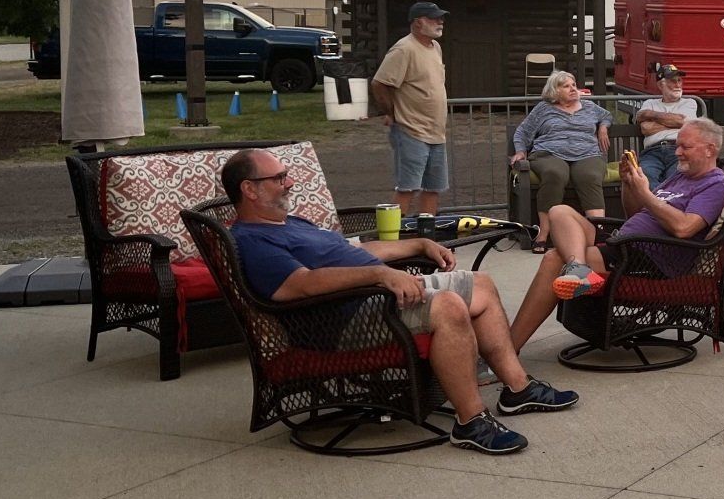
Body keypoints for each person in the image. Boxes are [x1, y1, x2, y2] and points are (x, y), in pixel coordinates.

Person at [220, 148, 577, 456]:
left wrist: (417, 245)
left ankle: (517, 390)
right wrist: (381, 276)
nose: (289, 182)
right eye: (278, 177)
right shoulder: (253, 240)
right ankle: (470, 421)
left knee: (479, 285)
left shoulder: (288, 222)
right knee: (448, 306)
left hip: (372, 297)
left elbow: (353, 250)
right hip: (343, 319)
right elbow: (298, 285)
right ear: (249, 189)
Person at [506, 118, 724, 352]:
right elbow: (636, 213)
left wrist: (645, 192)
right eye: (678, 145)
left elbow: (684, 228)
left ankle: (508, 350)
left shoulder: (714, 183)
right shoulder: (680, 177)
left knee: (554, 259)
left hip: (650, 255)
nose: (677, 152)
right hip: (624, 241)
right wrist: (629, 185)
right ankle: (579, 270)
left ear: (710, 149)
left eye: (685, 147)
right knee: (559, 211)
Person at [509, 71, 612, 253]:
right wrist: (520, 151)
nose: (573, 89)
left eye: (573, 85)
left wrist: (603, 126)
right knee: (555, 174)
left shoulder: (589, 106)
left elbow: (606, 115)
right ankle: (543, 233)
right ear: (554, 91)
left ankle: (598, 233)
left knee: (589, 176)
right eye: (566, 86)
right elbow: (522, 132)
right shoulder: (543, 108)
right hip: (549, 153)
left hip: (587, 153)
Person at [370, 1, 450, 221]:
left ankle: (426, 234)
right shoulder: (403, 49)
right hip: (411, 130)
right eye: (434, 18)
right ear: (417, 23)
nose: (440, 22)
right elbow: (379, 83)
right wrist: (392, 113)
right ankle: (392, 237)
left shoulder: (436, 47)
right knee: (407, 187)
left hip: (436, 131)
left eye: (440, 17)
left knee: (433, 187)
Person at [633, 63, 701, 189]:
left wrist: (652, 116)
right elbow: (645, 128)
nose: (678, 85)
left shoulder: (690, 102)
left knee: (676, 177)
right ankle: (659, 205)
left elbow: (682, 122)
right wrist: (674, 123)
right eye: (672, 81)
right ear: (660, 85)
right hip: (652, 152)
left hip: (679, 149)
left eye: (679, 81)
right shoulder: (650, 103)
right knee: (645, 175)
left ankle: (660, 205)